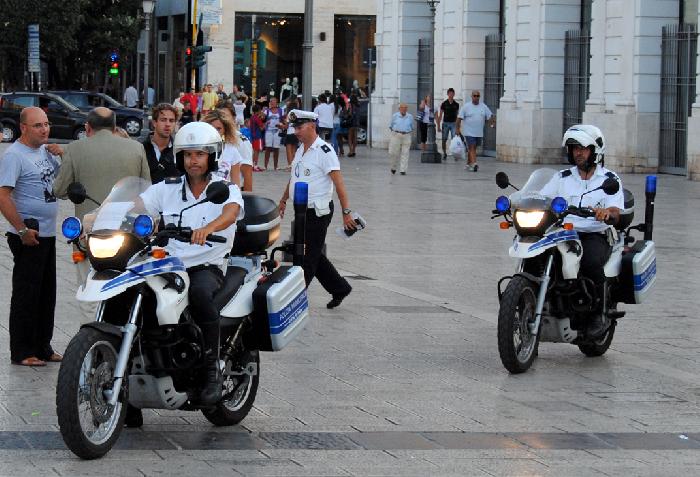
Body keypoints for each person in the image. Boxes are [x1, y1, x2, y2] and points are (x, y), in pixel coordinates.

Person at [139, 121, 244, 408]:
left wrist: (209, 228)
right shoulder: (167, 188)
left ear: (211, 156)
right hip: (167, 265)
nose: (192, 160)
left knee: (199, 295)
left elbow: (231, 213)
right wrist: (98, 220)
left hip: (206, 265)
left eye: (199, 154)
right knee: (136, 296)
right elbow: (137, 206)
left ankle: (211, 372)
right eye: (187, 155)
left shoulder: (225, 188)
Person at [539, 125, 624, 337]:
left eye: (583, 148)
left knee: (590, 262)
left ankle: (598, 314)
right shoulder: (562, 178)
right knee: (539, 256)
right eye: (574, 148)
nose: (578, 152)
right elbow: (540, 198)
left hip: (595, 234)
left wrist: (606, 213)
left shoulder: (609, 180)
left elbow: (616, 211)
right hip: (563, 233)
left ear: (595, 151)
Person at [0, 107, 62, 366]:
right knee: (27, 293)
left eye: (46, 124)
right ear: (23, 128)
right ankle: (23, 350)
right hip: (29, 234)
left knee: (47, 293)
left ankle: (42, 346)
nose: (44, 129)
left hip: (48, 233)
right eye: (38, 125)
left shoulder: (45, 152)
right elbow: (3, 196)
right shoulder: (14, 156)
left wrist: (64, 154)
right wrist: (22, 230)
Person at [278, 110, 356, 309]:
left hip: (317, 211)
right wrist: (284, 199)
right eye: (294, 127)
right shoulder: (301, 149)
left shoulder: (324, 151)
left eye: (300, 127)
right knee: (312, 253)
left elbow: (339, 185)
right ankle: (340, 288)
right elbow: (295, 177)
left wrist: (346, 213)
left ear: (312, 126)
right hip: (301, 210)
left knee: (307, 257)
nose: (296, 131)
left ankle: (293, 300)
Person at [456, 89, 495, 172]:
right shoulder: (466, 106)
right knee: (472, 147)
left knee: (473, 149)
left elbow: (490, 116)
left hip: (479, 133)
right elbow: (459, 118)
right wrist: (457, 129)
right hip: (468, 132)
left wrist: (492, 123)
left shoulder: (483, 106)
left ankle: (468, 164)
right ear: (471, 97)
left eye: (478, 96)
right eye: (475, 96)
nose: (476, 97)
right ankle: (474, 164)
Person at [141, 103, 179, 184]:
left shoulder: (179, 151)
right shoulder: (141, 148)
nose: (168, 124)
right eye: (163, 120)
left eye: (171, 121)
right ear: (154, 123)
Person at [203, 110, 243, 186]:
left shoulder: (232, 150)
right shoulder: (197, 149)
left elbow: (236, 186)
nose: (215, 132)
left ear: (225, 130)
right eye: (211, 128)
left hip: (224, 196)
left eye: (219, 128)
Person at [388, 103, 414, 175]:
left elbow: (412, 127)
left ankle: (403, 170)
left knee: (405, 153)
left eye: (405, 108)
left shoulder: (410, 116)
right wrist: (395, 132)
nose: (404, 109)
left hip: (406, 135)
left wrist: (407, 132)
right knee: (393, 152)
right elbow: (390, 126)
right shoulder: (395, 116)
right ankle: (393, 167)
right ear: (399, 109)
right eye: (402, 108)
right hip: (396, 134)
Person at [436, 88, 460, 160]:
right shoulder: (444, 104)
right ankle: (444, 153)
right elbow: (440, 115)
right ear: (447, 94)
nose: (451, 95)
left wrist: (458, 127)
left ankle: (455, 154)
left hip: (453, 123)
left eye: (452, 93)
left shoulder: (456, 104)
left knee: (454, 139)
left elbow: (458, 115)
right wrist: (438, 126)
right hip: (445, 123)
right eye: (449, 93)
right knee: (444, 139)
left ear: (454, 94)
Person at [263, 97, 283, 170]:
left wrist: (282, 125)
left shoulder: (281, 110)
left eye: (273, 101)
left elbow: (284, 119)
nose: (272, 103)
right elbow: (262, 118)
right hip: (269, 131)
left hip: (277, 131)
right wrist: (265, 121)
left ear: (276, 102)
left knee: (276, 148)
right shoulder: (267, 111)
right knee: (268, 147)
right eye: (271, 101)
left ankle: (275, 166)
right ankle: (265, 166)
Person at [280, 98, 300, 169]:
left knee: (288, 151)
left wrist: (280, 125)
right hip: (296, 133)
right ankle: (294, 165)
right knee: (294, 151)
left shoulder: (290, 113)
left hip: (290, 133)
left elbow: (286, 126)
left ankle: (290, 165)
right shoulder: (298, 113)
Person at [249, 105, 266, 171]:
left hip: (253, 136)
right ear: (258, 110)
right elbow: (262, 128)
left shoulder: (252, 117)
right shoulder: (257, 118)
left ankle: (253, 165)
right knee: (256, 151)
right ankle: (254, 165)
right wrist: (266, 123)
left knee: (255, 151)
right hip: (257, 136)